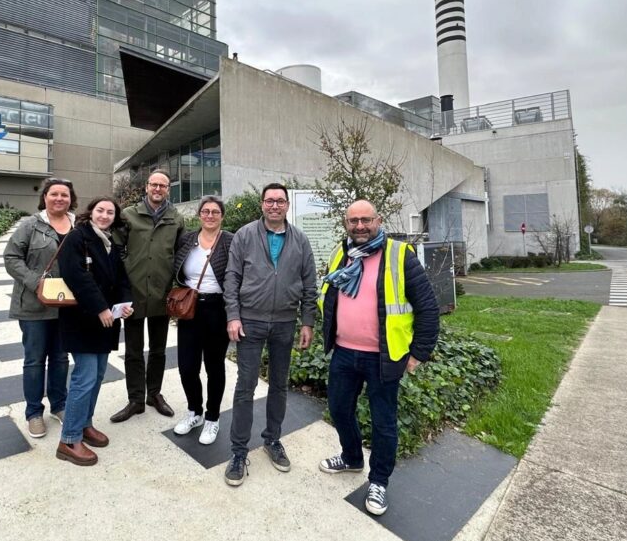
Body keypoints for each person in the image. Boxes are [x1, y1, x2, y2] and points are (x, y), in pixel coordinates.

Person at [317, 200, 440, 516]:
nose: (359, 226)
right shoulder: (341, 253)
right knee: (339, 409)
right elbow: (329, 295)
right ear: (346, 223)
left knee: (383, 421)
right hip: (344, 351)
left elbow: (427, 306)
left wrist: (419, 353)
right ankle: (352, 456)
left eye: (366, 220)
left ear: (378, 220)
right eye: (353, 220)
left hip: (384, 357)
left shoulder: (400, 255)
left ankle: (379, 481)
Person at [223, 183, 318, 486]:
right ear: (262, 204)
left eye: (280, 201)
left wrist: (307, 322)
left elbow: (309, 284)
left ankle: (272, 439)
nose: (274, 205)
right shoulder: (245, 235)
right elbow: (232, 278)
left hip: (285, 324)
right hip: (249, 321)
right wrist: (233, 316)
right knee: (245, 387)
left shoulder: (300, 240)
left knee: (279, 384)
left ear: (287, 205)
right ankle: (238, 452)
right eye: (269, 201)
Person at [55, 197, 134, 466]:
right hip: (83, 320)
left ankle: (85, 424)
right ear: (91, 212)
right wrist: (101, 307)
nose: (104, 215)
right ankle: (69, 439)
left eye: (110, 212)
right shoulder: (77, 238)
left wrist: (124, 305)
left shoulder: (110, 242)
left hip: (106, 321)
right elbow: (76, 276)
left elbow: (122, 279)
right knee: (84, 378)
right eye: (100, 210)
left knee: (97, 375)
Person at [110, 170, 184, 423]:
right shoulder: (129, 215)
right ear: (146, 187)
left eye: (163, 185)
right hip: (133, 294)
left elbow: (180, 252)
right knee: (133, 350)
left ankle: (154, 394)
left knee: (159, 350)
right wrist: (127, 270)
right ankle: (135, 399)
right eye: (154, 184)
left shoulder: (176, 218)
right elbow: (116, 247)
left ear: (168, 190)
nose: (158, 189)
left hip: (161, 295)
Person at [3, 178, 74, 440]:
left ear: (70, 198)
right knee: (34, 361)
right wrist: (36, 283)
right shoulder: (30, 225)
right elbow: (11, 258)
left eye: (64, 195)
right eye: (54, 194)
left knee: (61, 358)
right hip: (35, 305)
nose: (59, 198)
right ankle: (34, 412)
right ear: (45, 197)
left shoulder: (78, 225)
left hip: (67, 306)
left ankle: (60, 405)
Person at [170, 196, 234, 445]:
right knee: (187, 366)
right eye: (205, 211)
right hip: (191, 307)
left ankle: (212, 418)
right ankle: (194, 411)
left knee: (214, 366)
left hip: (218, 308)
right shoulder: (187, 239)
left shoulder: (230, 240)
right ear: (199, 215)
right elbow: (175, 265)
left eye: (215, 211)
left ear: (222, 215)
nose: (210, 215)